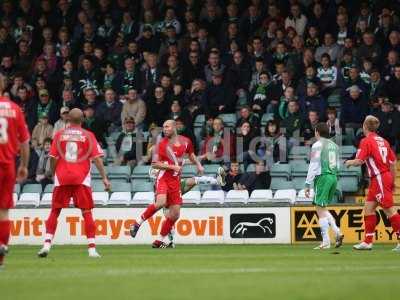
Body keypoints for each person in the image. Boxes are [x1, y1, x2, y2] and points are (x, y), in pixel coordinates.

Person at [37, 108, 111, 258]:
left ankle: (46, 245)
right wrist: (104, 177)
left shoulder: (58, 135)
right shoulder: (88, 135)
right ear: (82, 119)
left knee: (55, 211)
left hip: (62, 177)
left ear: (68, 120)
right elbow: (97, 158)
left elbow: (52, 157)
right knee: (86, 212)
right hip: (81, 177)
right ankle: (91, 249)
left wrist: (54, 172)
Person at [129, 120, 204, 248]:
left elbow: (191, 154)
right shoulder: (161, 144)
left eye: (167, 126)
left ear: (175, 127)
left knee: (175, 214)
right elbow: (155, 164)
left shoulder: (186, 141)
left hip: (175, 181)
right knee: (161, 202)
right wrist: (173, 167)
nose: (164, 129)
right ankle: (137, 223)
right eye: (163, 127)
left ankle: (159, 240)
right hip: (163, 178)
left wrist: (198, 165)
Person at [345, 116, 400, 251]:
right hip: (380, 178)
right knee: (368, 209)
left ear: (364, 126)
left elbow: (359, 161)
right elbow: (393, 163)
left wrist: (348, 162)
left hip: (379, 177)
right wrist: (392, 180)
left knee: (389, 210)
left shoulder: (366, 141)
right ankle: (367, 241)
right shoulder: (384, 141)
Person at [148, 164, 226, 247]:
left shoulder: (161, 176)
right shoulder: (158, 183)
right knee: (168, 220)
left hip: (173, 189)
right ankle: (171, 242)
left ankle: (217, 181)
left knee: (193, 180)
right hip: (168, 199)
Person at [0, 80, 30, 268]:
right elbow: (25, 141)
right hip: (7, 165)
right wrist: (24, 165)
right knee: (3, 212)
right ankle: (1, 251)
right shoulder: (14, 108)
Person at [305, 123, 344, 250]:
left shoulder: (317, 145)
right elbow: (338, 165)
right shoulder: (334, 146)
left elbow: (313, 164)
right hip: (333, 177)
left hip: (323, 177)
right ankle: (337, 232)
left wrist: (307, 183)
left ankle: (326, 241)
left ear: (317, 132)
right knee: (323, 207)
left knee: (319, 209)